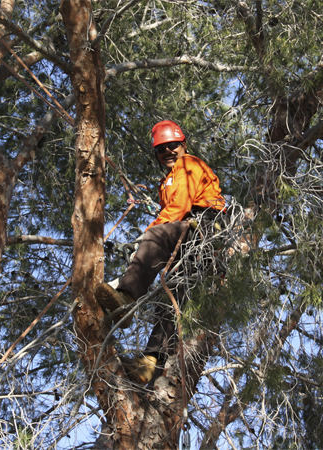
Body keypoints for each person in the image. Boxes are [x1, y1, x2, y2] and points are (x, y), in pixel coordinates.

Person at [95, 120, 226, 384]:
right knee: (171, 297)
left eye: (172, 146)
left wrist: (147, 236)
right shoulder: (166, 180)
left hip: (204, 228)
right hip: (191, 241)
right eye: (161, 149)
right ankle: (151, 363)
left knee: (156, 235)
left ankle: (127, 296)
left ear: (183, 145)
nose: (167, 151)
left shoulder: (188, 165)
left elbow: (178, 208)